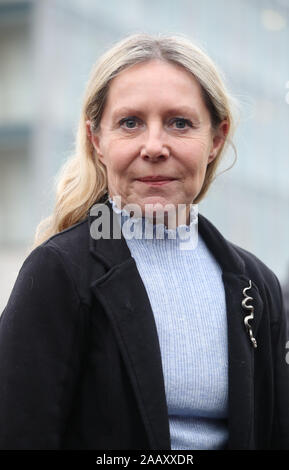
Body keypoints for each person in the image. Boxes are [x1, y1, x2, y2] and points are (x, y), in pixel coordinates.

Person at [0, 32, 288, 451]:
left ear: (216, 139)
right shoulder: (58, 273)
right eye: (130, 123)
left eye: (180, 123)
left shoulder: (257, 285)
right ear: (98, 141)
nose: (154, 147)